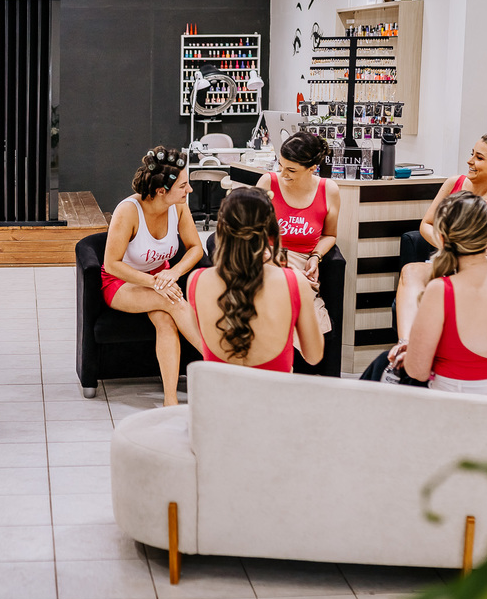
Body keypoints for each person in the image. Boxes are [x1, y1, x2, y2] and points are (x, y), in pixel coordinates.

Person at [100, 146, 204, 406]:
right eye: (183, 186)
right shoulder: (128, 211)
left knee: (166, 322)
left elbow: (196, 248)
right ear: (161, 191)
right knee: (174, 302)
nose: (189, 190)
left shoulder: (179, 207)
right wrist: (155, 283)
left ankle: (170, 400)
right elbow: (111, 264)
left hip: (159, 277)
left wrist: (173, 272)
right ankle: (224, 364)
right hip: (121, 282)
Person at [393, 133, 487, 342]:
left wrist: (485, 254)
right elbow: (426, 224)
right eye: (472, 154)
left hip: (475, 271)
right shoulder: (454, 182)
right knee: (410, 272)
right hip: (444, 260)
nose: (470, 161)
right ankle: (406, 344)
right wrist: (449, 248)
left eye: (479, 157)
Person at [394, 194, 487, 394]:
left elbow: (417, 371)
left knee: (382, 367)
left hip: (465, 402)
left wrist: (411, 352)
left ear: (441, 239)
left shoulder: (442, 290)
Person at [186, 187, 323, 371]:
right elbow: (314, 356)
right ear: (271, 232)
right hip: (273, 389)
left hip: (217, 389)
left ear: (221, 230)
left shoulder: (197, 281)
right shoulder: (294, 282)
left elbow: (201, 337)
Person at [253, 131, 340, 329]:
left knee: (299, 310)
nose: (283, 174)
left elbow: (329, 235)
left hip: (301, 262)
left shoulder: (329, 190)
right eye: (281, 165)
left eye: (291, 170)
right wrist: (282, 266)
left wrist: (315, 256)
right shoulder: (268, 183)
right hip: (266, 258)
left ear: (312, 168)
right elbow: (250, 232)